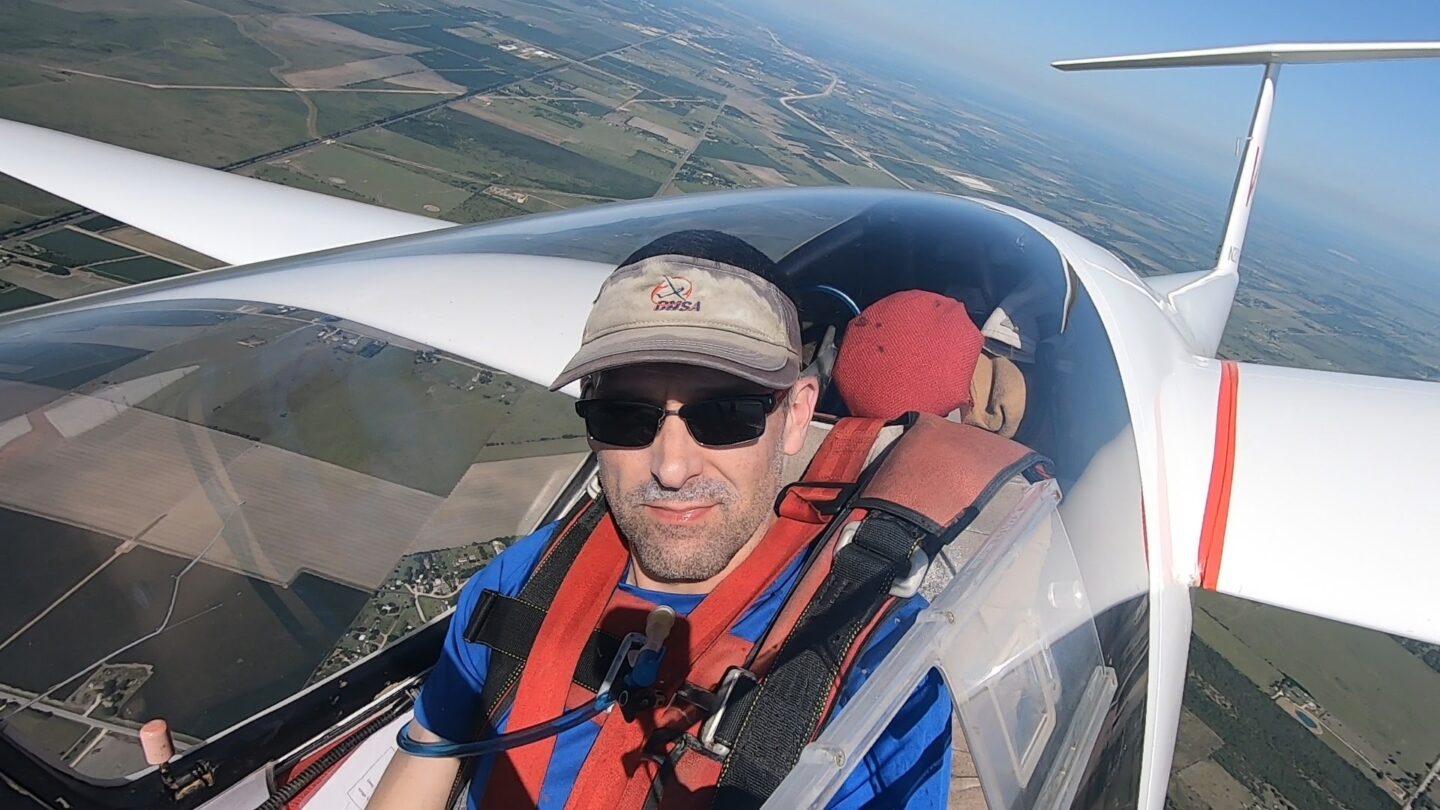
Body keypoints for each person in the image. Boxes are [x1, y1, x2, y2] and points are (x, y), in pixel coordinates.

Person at [369, 231, 950, 810]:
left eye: (725, 414)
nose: (671, 467)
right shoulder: (522, 581)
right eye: (625, 415)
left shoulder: (878, 663)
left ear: (795, 414)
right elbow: (430, 752)